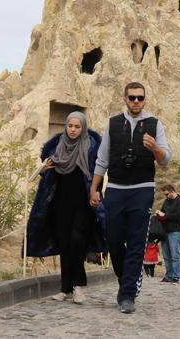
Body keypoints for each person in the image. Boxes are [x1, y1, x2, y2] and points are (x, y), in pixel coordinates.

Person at [89, 82, 171, 314]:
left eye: (140, 98)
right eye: (132, 97)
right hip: (115, 189)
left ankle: (127, 295)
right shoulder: (113, 123)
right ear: (125, 99)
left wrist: (154, 148)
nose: (136, 101)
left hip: (142, 189)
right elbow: (102, 159)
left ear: (145, 100)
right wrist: (94, 189)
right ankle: (125, 279)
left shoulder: (155, 124)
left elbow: (165, 159)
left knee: (136, 242)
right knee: (113, 240)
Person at [25, 111, 105, 305]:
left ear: (83, 128)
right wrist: (44, 171)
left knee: (77, 241)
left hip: (83, 204)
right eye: (70, 126)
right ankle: (65, 289)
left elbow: (98, 173)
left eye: (77, 127)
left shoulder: (92, 147)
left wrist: (95, 193)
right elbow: (49, 178)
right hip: (60, 203)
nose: (73, 130)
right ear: (66, 126)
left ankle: (79, 286)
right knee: (65, 244)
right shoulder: (56, 147)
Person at [156, 183, 180, 283]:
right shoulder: (166, 201)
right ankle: (168, 276)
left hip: (175, 231)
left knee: (174, 255)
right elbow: (162, 212)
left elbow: (178, 216)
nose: (166, 196)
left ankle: (176, 277)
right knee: (166, 256)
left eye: (167, 194)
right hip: (164, 232)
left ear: (172, 191)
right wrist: (159, 214)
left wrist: (165, 215)